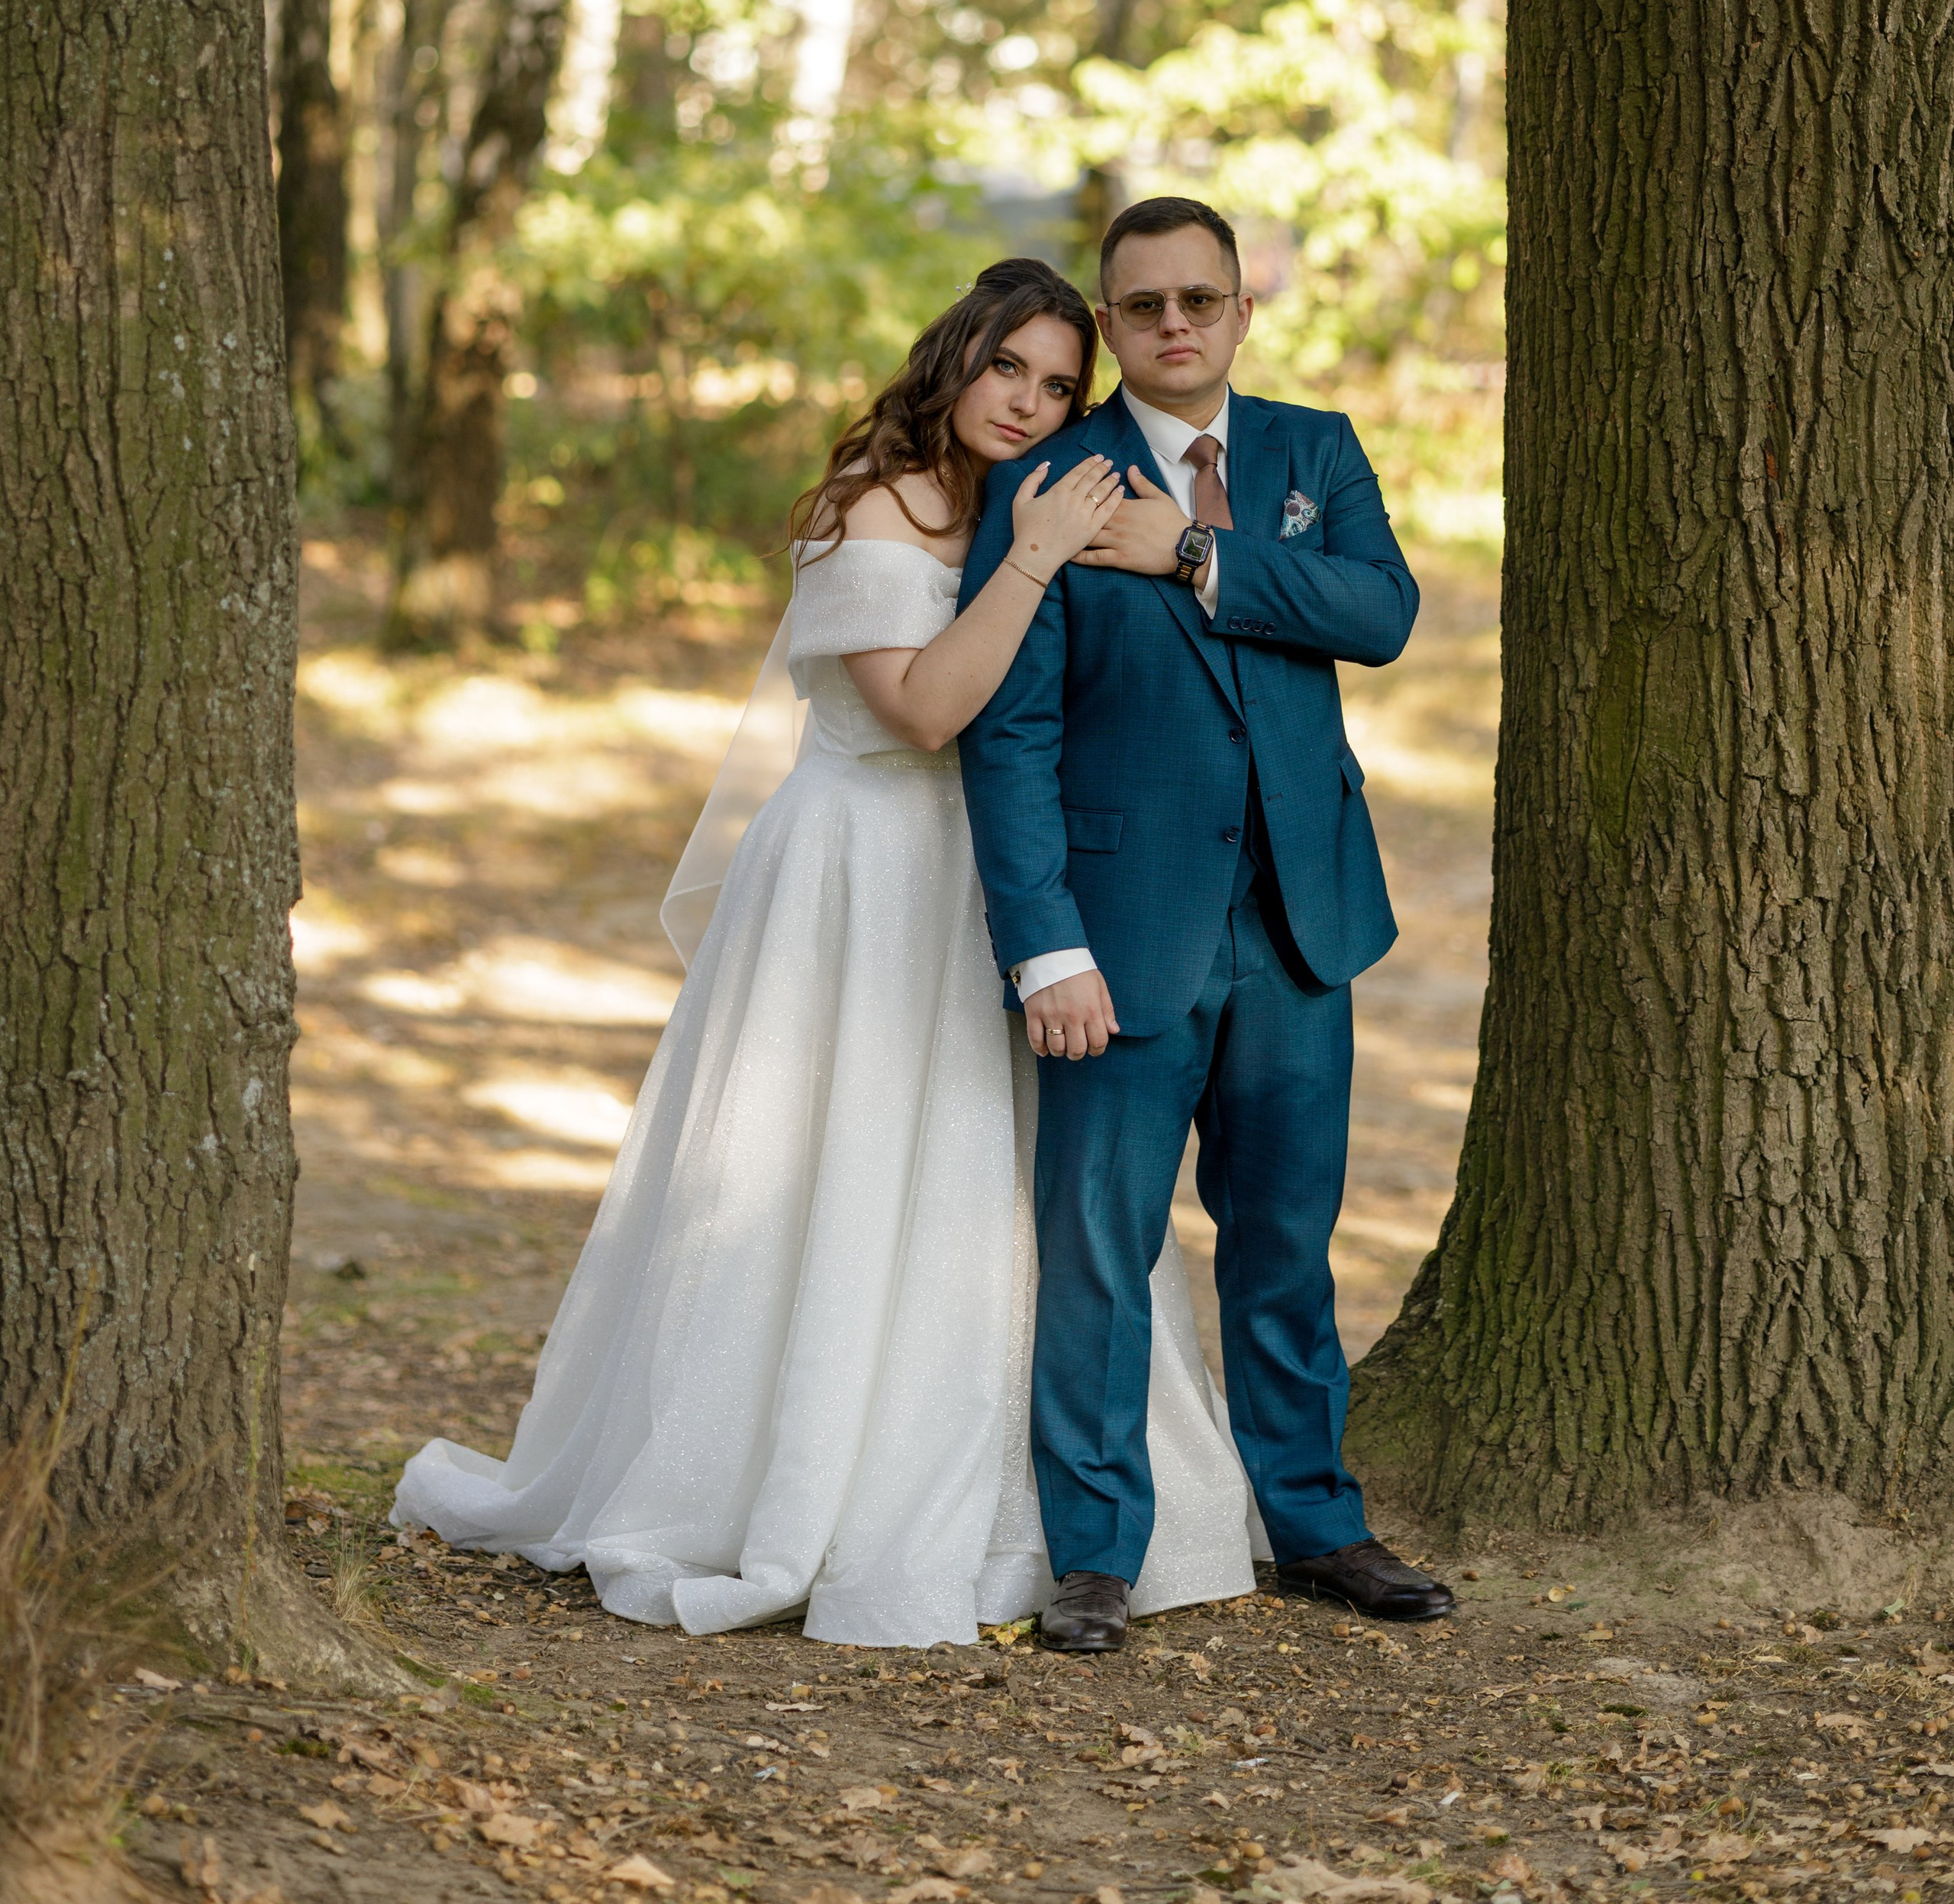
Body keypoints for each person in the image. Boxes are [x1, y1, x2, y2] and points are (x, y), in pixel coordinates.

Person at [392, 259, 1264, 1645]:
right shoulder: (877, 508)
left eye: (1056, 383)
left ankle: (1047, 1489)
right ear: (956, 356)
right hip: (866, 874)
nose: (1031, 403)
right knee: (845, 1165)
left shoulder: (1014, 499)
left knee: (1005, 1168)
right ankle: (807, 1476)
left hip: (1003, 874)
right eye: (1007, 371)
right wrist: (1037, 558)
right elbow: (923, 711)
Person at [959, 197, 1456, 1651]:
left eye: (1201, 298)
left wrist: (1194, 554)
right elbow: (1011, 731)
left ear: (1244, 311)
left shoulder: (1317, 450)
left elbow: (1380, 612)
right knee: (1105, 1246)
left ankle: (1316, 1521)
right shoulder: (1051, 477)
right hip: (1123, 935)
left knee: (1288, 1239)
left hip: (1305, 921)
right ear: (1108, 326)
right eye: (1143, 305)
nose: (1175, 323)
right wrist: (1044, 941)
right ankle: (1097, 1555)